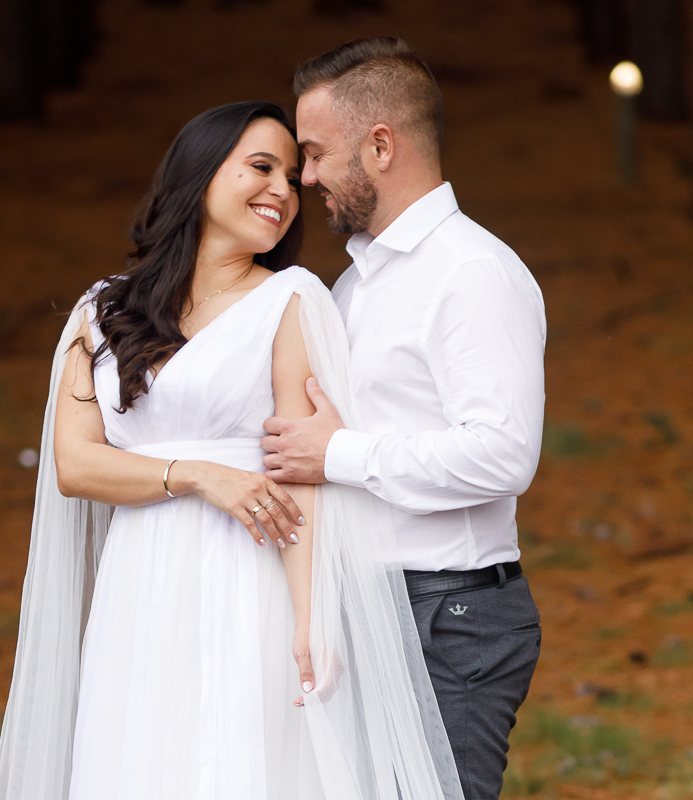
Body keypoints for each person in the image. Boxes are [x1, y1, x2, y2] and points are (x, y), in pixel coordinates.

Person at [0, 101, 465, 800]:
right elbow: (75, 464)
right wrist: (200, 475)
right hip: (139, 588)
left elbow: (301, 470)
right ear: (200, 174)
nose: (281, 190)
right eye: (261, 167)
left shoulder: (291, 300)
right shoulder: (101, 311)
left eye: (292, 176)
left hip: (250, 575)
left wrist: (312, 617)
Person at [262, 39, 547, 800]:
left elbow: (502, 455)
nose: (305, 177)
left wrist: (340, 453)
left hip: (450, 620)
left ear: (380, 145)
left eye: (316, 154)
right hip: (376, 609)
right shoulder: (356, 285)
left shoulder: (471, 274)